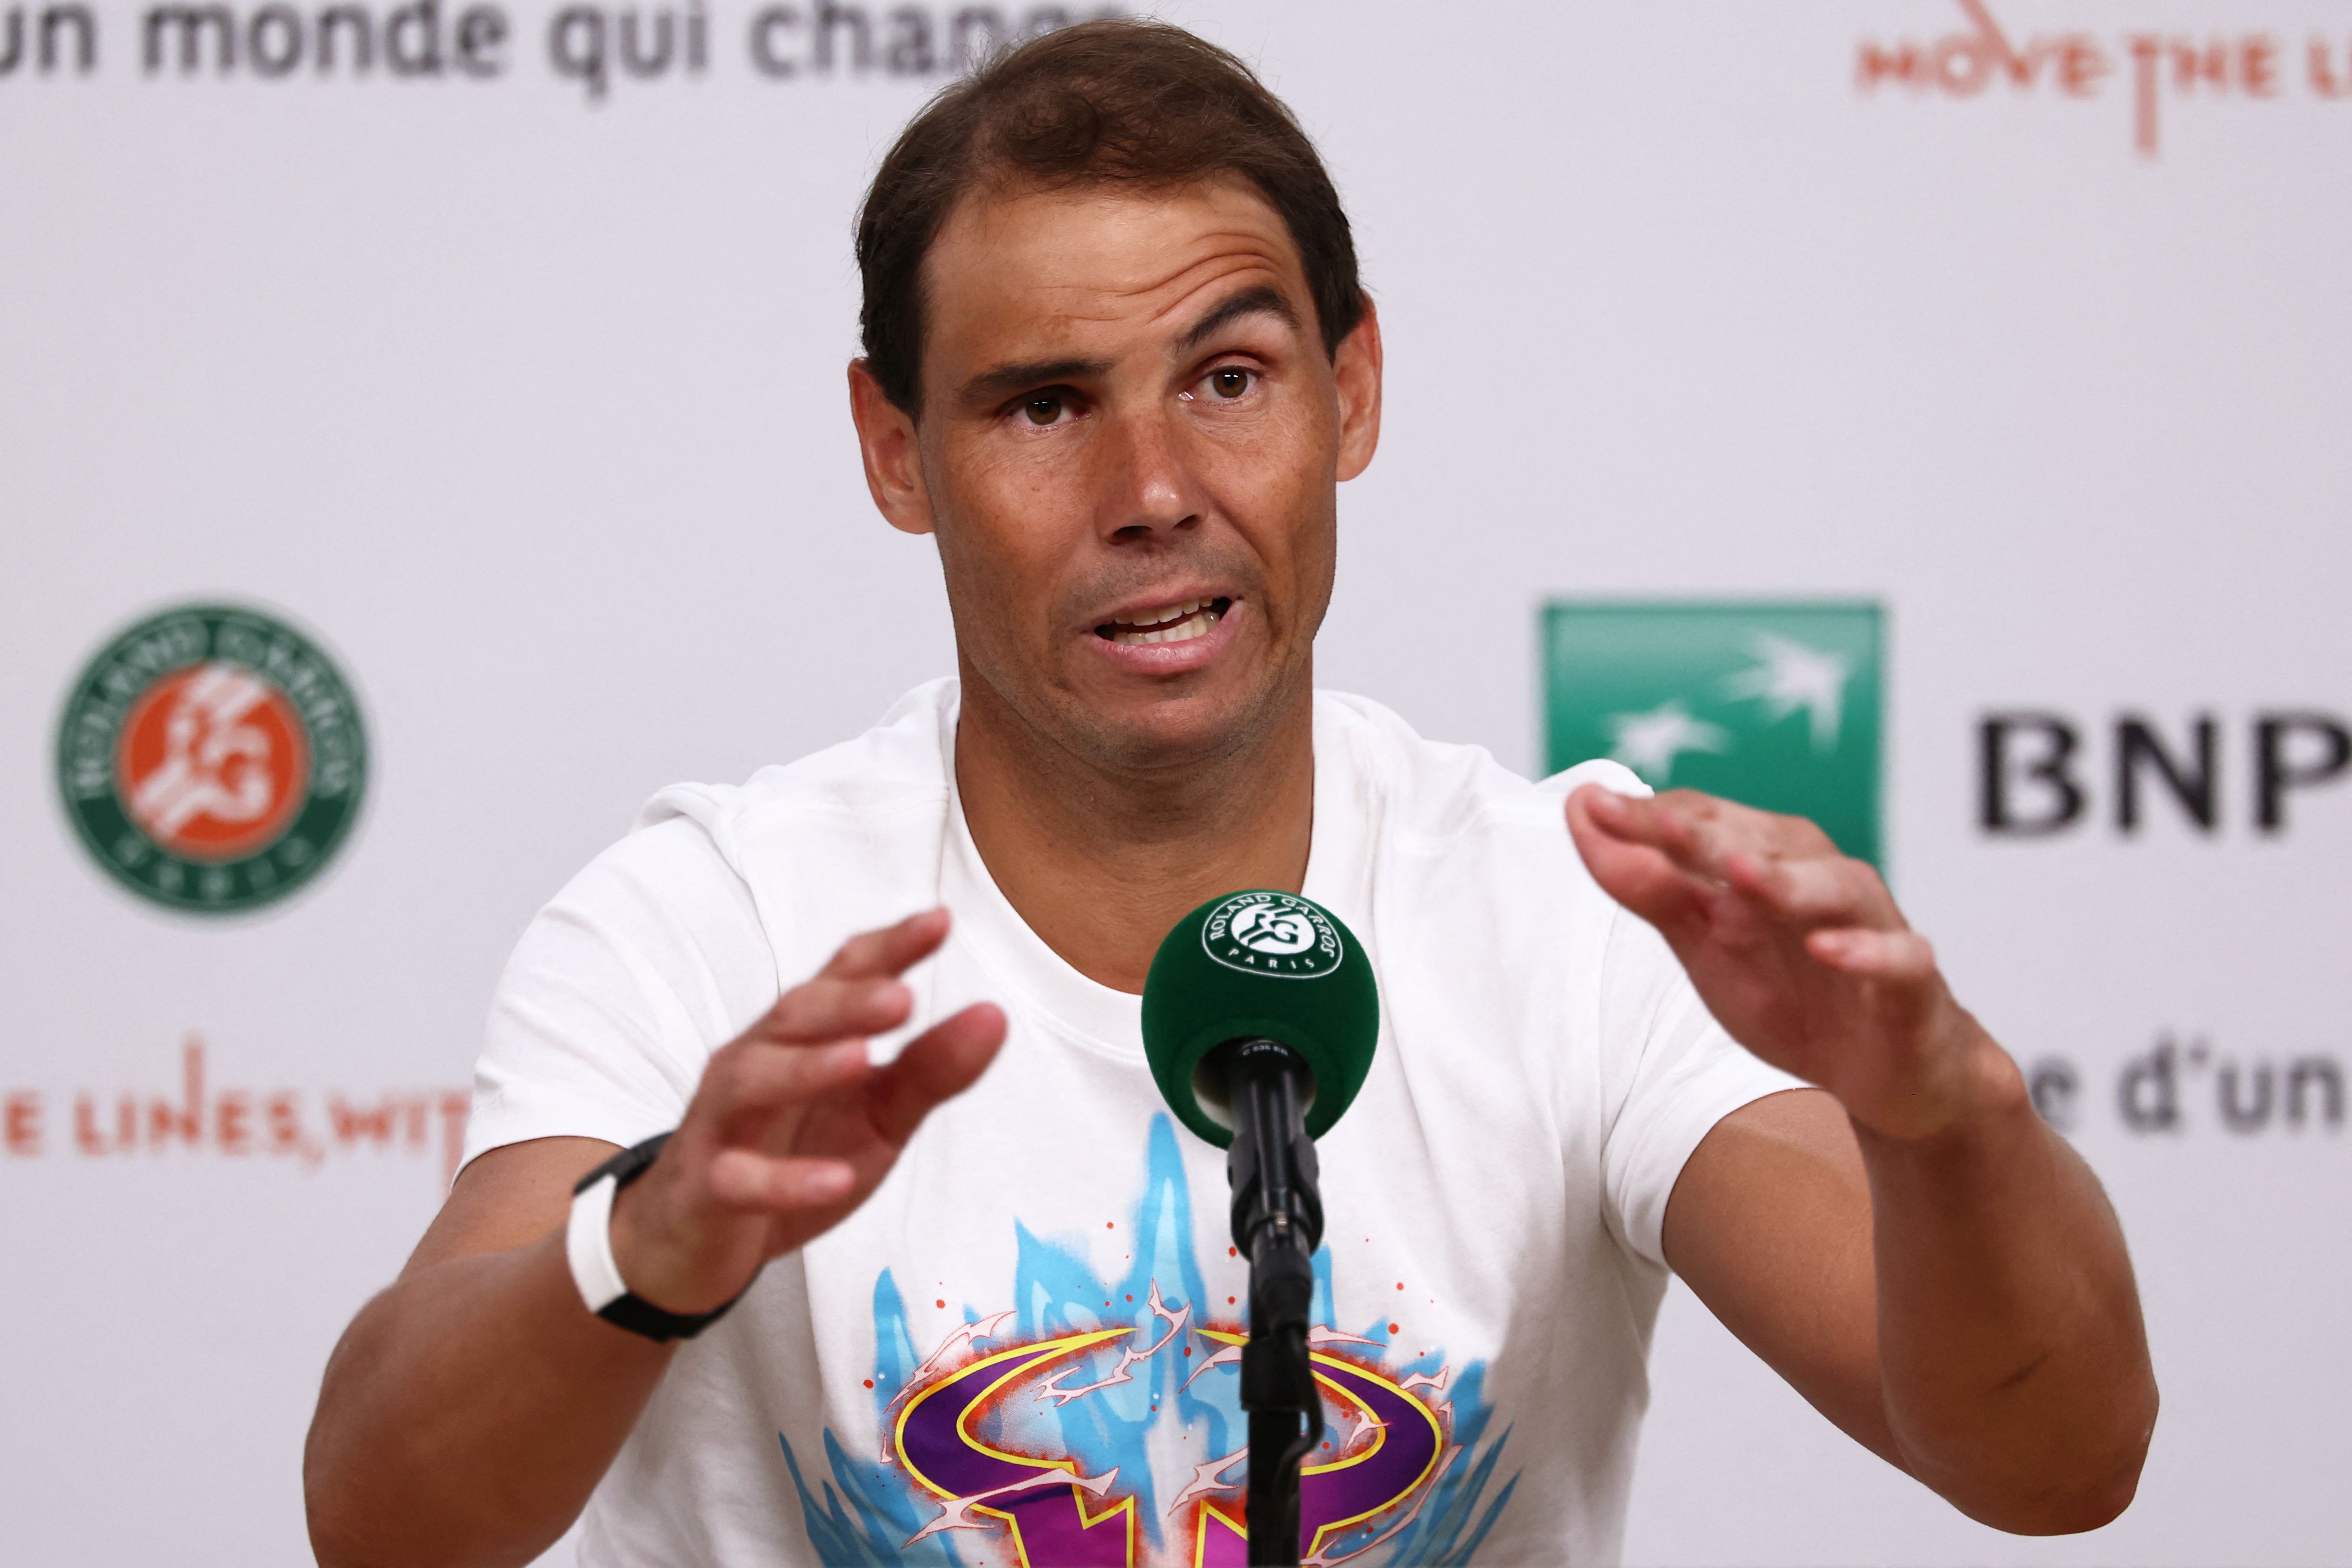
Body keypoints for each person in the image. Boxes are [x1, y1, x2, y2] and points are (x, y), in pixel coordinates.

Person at [303, 20, 2156, 1568]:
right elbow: (383, 1517)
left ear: (1349, 391)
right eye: (1043, 405)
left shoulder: (1570, 905)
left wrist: (1942, 1116)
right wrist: (646, 1243)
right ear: (895, 449)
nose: (1155, 486)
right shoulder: (717, 922)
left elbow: (2051, 1465)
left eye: (1231, 376)